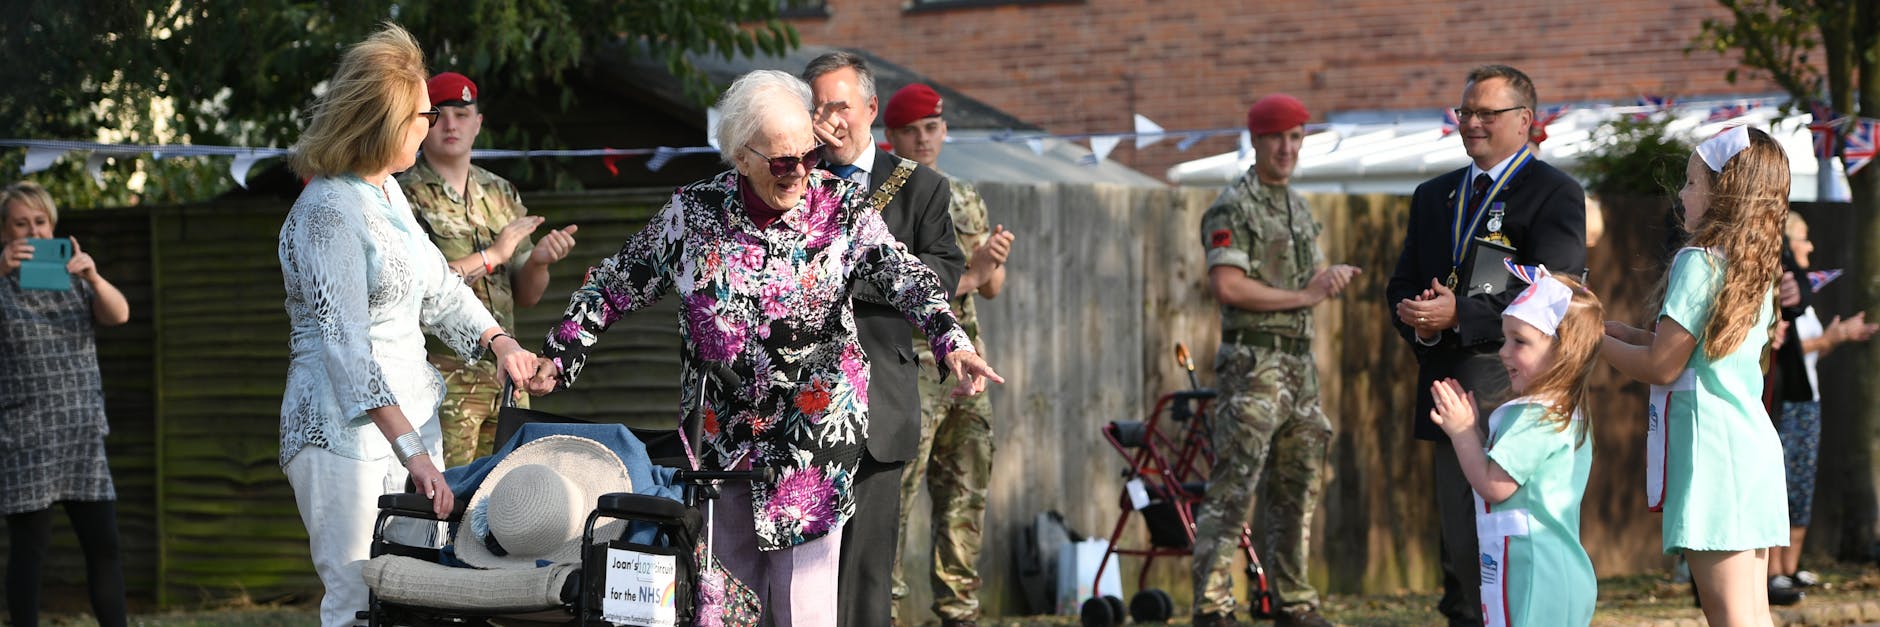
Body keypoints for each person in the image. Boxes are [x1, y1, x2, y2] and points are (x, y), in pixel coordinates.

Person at [520, 70, 1001, 627]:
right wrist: (558, 355)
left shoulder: (841, 207)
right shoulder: (695, 214)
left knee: (803, 601)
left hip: (814, 430)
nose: (800, 173)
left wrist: (952, 343)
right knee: (720, 601)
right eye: (781, 161)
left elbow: (908, 278)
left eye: (810, 156)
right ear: (741, 156)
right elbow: (617, 282)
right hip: (721, 430)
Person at [276, 24, 539, 627]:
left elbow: (441, 287)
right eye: (423, 114)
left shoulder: (387, 193)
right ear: (385, 120)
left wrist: (498, 341)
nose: (431, 124)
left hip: (411, 424)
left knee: (414, 595)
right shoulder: (326, 212)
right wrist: (413, 452)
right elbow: (346, 349)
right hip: (341, 435)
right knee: (357, 598)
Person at [1386, 64, 1586, 626]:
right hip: (1450, 390)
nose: (1471, 123)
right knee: (1463, 557)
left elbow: (1558, 297)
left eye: (1485, 113)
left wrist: (1463, 316)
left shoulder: (1556, 195)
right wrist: (1424, 323)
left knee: (1513, 551)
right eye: (1464, 112)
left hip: (1513, 391)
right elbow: (1401, 284)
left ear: (1525, 121)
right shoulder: (1433, 195)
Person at [800, 52, 967, 627]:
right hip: (799, 403)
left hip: (880, 397)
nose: (829, 121)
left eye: (839, 106)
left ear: (870, 109)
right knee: (798, 569)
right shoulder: (794, 182)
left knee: (868, 572)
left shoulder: (920, 188)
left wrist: (856, 278)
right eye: (817, 108)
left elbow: (941, 274)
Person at [1601, 125, 1789, 626]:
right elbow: (1699, 354)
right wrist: (1620, 333)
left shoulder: (1697, 261)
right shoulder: (1753, 265)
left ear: (1723, 190)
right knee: (1754, 618)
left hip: (1712, 458)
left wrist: (1591, 341)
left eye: (1690, 182)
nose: (1681, 194)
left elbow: (1664, 365)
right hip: (1750, 452)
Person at [1190, 94, 1353, 627]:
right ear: (1256, 141)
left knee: (1297, 486)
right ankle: (1213, 607)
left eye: (1296, 137)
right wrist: (1307, 295)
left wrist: (1328, 282)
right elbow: (1228, 285)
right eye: (1276, 137)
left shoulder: (1299, 206)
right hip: (1253, 363)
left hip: (1299, 367)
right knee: (1233, 488)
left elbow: (1305, 277)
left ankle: (1294, 601)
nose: (1287, 148)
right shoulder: (1233, 205)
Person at [880, 83, 1017, 627]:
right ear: (888, 138)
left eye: (931, 128)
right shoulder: (879, 197)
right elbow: (892, 288)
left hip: (968, 364)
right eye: (911, 131)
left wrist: (990, 262)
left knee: (966, 489)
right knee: (896, 496)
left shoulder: (962, 193)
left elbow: (991, 287)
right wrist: (975, 273)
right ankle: (881, 609)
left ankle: (959, 611)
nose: (923, 140)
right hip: (908, 365)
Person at [398, 71, 579, 468]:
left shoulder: (501, 192)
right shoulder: (401, 194)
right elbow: (417, 286)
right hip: (442, 376)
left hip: (506, 374)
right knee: (446, 501)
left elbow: (527, 296)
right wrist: (493, 255)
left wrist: (539, 260)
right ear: (424, 122)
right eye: (440, 114)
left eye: (462, 114)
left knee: (507, 502)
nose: (450, 124)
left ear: (477, 123)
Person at [1429, 269, 1601, 626]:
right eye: (1504, 339)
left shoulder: (1537, 417)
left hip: (1536, 575)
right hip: (1539, 571)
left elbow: (1495, 485)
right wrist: (1475, 431)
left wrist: (1462, 432)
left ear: (1563, 351)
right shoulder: (1553, 411)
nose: (1504, 352)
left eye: (1519, 341)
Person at [1, 181, 130, 627]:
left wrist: (93, 276)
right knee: (29, 551)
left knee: (105, 546)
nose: (33, 232)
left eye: (40, 222)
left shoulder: (76, 279)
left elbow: (119, 314)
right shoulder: (1, 283)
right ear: (5, 232)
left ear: (52, 225)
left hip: (81, 434)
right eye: (21, 224)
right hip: (25, 436)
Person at [1766, 211, 1876, 597]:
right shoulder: (1781, 287)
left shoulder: (1805, 299)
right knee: (1783, 486)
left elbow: (1809, 352)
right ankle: (1772, 573)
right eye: (1803, 238)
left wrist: (1837, 337)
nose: (1809, 246)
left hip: (1808, 400)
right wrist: (1837, 337)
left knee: (1800, 487)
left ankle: (1790, 570)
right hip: (1788, 403)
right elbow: (1791, 350)